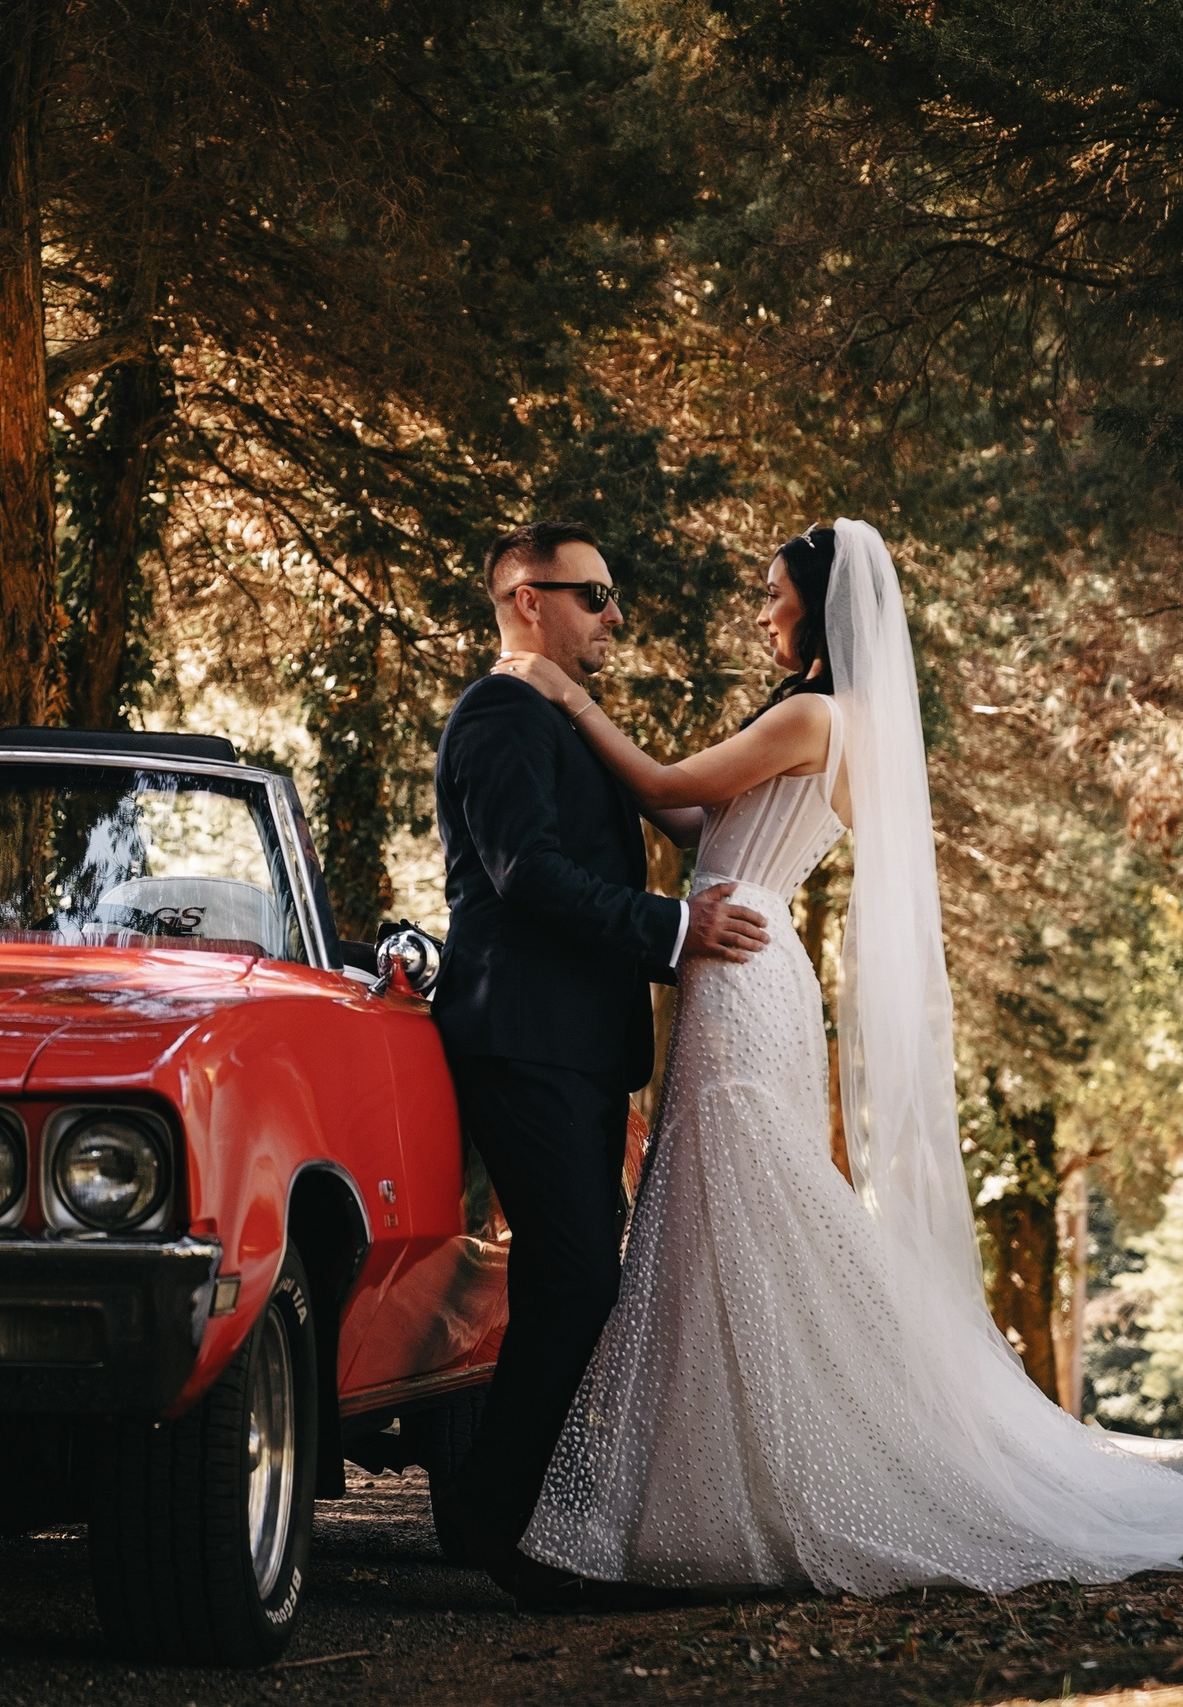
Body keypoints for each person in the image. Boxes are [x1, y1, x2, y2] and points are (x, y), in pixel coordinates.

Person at [489, 519, 1183, 1595]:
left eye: (773, 595)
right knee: (724, 1212)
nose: (760, 612)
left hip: (742, 966)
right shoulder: (826, 718)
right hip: (749, 954)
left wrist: (565, 700)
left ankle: (784, 1467)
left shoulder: (814, 713)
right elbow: (702, 818)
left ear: (823, 606)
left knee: (743, 1204)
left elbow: (659, 786)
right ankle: (722, 1482)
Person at [430, 520, 769, 1609]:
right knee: (576, 1278)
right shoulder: (496, 714)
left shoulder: (556, 719)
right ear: (526, 598)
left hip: (568, 1042)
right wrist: (674, 932)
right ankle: (498, 1523)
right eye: (595, 593)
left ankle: (500, 1511)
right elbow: (524, 872)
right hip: (519, 1036)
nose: (614, 613)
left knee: (573, 1279)